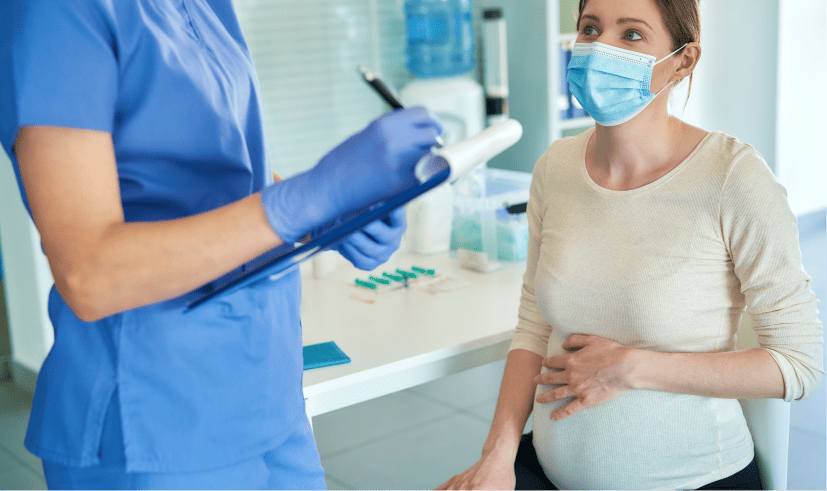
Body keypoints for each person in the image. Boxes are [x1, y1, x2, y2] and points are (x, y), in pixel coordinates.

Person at [0, 0, 442, 489]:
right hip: (154, 415)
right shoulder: (56, 12)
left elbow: (223, 177)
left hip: (266, 387)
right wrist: (310, 197)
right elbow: (89, 275)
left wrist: (332, 215)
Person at [436, 0, 824, 489]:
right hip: (546, 470)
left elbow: (799, 365)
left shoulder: (733, 179)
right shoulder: (554, 168)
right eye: (590, 29)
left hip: (693, 480)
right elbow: (534, 323)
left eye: (632, 35)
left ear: (683, 60)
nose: (601, 49)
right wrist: (497, 456)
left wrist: (630, 368)